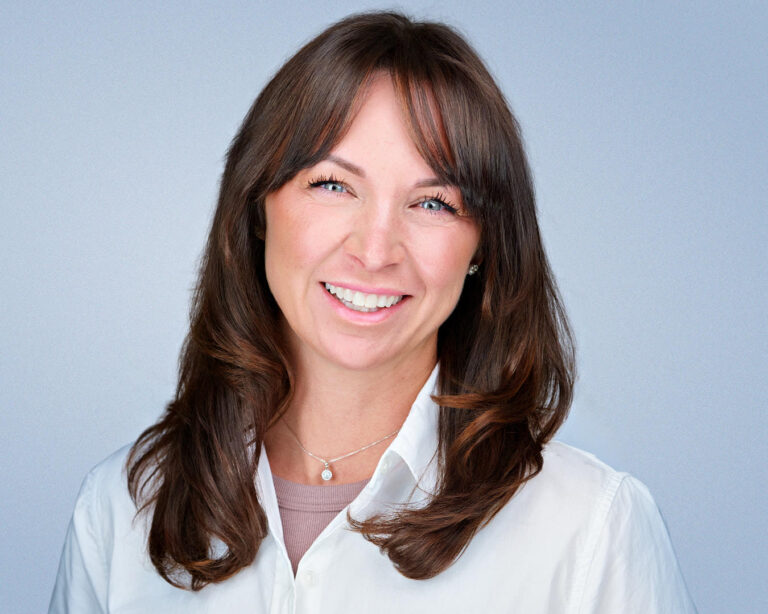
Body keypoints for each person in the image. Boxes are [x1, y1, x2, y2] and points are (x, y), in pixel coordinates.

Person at [49, 11, 697, 613]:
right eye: (333, 185)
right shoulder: (124, 510)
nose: (375, 249)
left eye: (434, 202)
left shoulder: (589, 530)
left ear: (482, 247)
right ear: (256, 208)